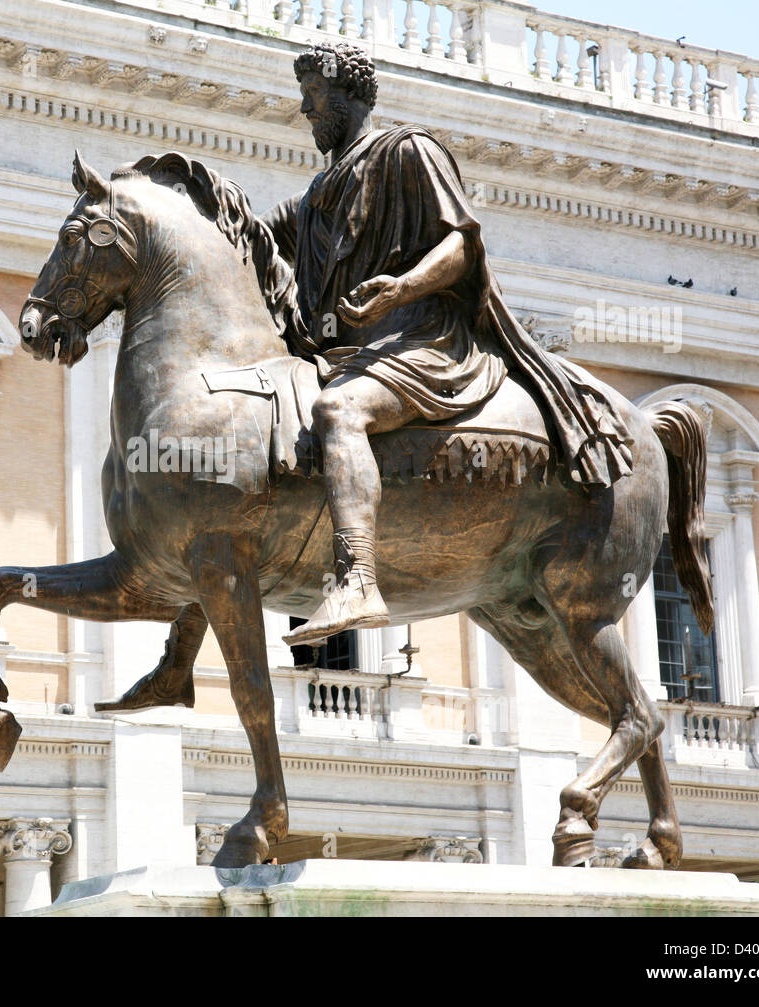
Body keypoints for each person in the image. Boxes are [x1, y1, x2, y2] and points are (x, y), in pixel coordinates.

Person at [266, 41, 634, 646]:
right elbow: (250, 233)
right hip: (346, 355)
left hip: (420, 342)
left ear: (346, 95)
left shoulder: (408, 151)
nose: (304, 110)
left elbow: (462, 245)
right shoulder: (315, 196)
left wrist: (398, 291)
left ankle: (358, 576)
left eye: (312, 96)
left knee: (339, 411)